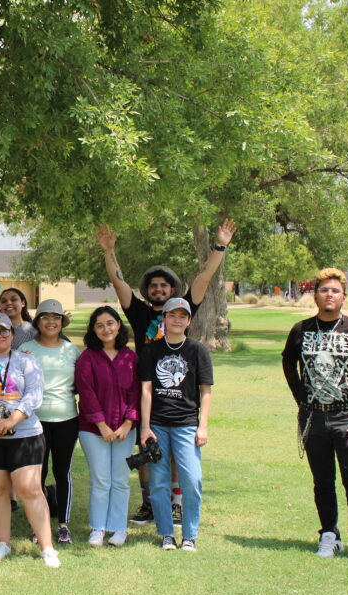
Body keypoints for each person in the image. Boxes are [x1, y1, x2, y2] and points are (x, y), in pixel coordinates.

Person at [97, 219, 235, 525]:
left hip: (179, 392)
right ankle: (149, 502)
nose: (159, 289)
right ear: (148, 290)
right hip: (145, 390)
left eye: (164, 285)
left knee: (174, 453)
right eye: (154, 286)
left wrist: (220, 246)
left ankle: (176, 502)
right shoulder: (139, 311)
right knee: (146, 448)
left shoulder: (181, 309)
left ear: (173, 290)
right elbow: (118, 282)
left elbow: (202, 279)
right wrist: (109, 252)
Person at [281, 268, 348, 565]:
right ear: (315, 295)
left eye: (335, 291)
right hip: (314, 418)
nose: (329, 295)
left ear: (343, 297)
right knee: (322, 480)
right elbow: (289, 365)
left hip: (346, 415)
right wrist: (302, 401)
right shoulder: (301, 329)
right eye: (324, 290)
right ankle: (329, 534)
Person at [0, 312, 60, 567]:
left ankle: (47, 547)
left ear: (12, 335)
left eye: (4, 331)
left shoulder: (27, 362)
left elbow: (34, 395)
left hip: (24, 434)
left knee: (30, 489)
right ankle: (3, 542)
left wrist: (11, 421)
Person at [139, 297, 212, 551]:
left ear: (189, 321)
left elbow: (205, 391)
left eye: (183, 316)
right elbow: (146, 391)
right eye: (172, 315)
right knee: (158, 482)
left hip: (186, 425)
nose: (177, 320)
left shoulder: (197, 350)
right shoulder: (151, 350)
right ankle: (166, 533)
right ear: (164, 320)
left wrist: (203, 426)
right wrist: (145, 427)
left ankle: (189, 534)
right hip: (157, 425)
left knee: (192, 479)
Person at [75, 306, 140, 547]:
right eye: (100, 325)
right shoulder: (87, 358)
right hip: (93, 430)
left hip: (125, 430)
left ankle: (119, 529)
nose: (106, 329)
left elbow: (136, 393)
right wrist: (101, 425)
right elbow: (86, 393)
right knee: (101, 480)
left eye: (110, 323)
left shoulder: (130, 357)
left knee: (121, 479)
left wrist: (127, 423)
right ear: (93, 329)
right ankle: (98, 528)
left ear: (119, 325)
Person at [19, 299, 80, 544]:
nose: (51, 322)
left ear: (62, 322)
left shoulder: (71, 350)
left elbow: (80, 384)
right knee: (38, 474)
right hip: (35, 422)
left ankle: (63, 525)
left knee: (62, 471)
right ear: (38, 322)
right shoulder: (26, 349)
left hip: (66, 418)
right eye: (45, 317)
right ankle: (39, 524)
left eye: (56, 317)